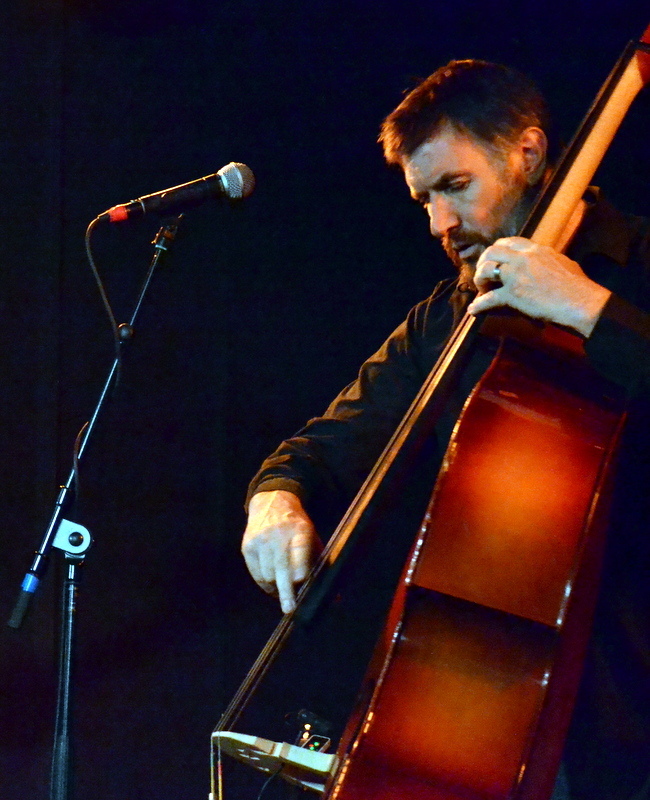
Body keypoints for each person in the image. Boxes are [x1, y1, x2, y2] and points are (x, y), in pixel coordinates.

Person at [240, 61, 650, 799]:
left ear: (527, 154)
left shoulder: (640, 264)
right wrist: (275, 497)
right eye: (424, 199)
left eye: (455, 186)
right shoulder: (450, 317)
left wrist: (591, 311)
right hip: (510, 717)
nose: (440, 223)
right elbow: (321, 448)